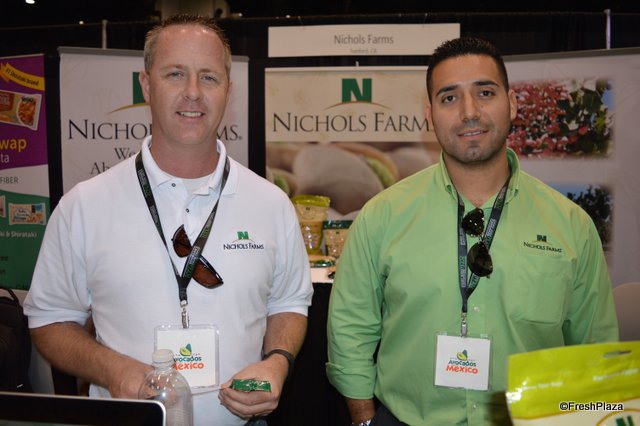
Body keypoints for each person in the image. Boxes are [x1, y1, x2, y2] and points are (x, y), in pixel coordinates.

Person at [24, 14, 313, 425]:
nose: (193, 92)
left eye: (209, 77)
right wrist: (113, 370)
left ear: (228, 90)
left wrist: (278, 361)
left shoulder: (271, 203)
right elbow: (49, 319)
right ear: (147, 85)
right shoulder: (85, 206)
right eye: (175, 74)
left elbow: (288, 302)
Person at [326, 37, 618, 426]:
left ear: (512, 103)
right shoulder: (382, 216)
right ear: (429, 115)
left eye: (485, 92)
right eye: (449, 98)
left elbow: (595, 351)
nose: (469, 112)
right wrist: (365, 419)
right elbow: (350, 330)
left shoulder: (570, 225)